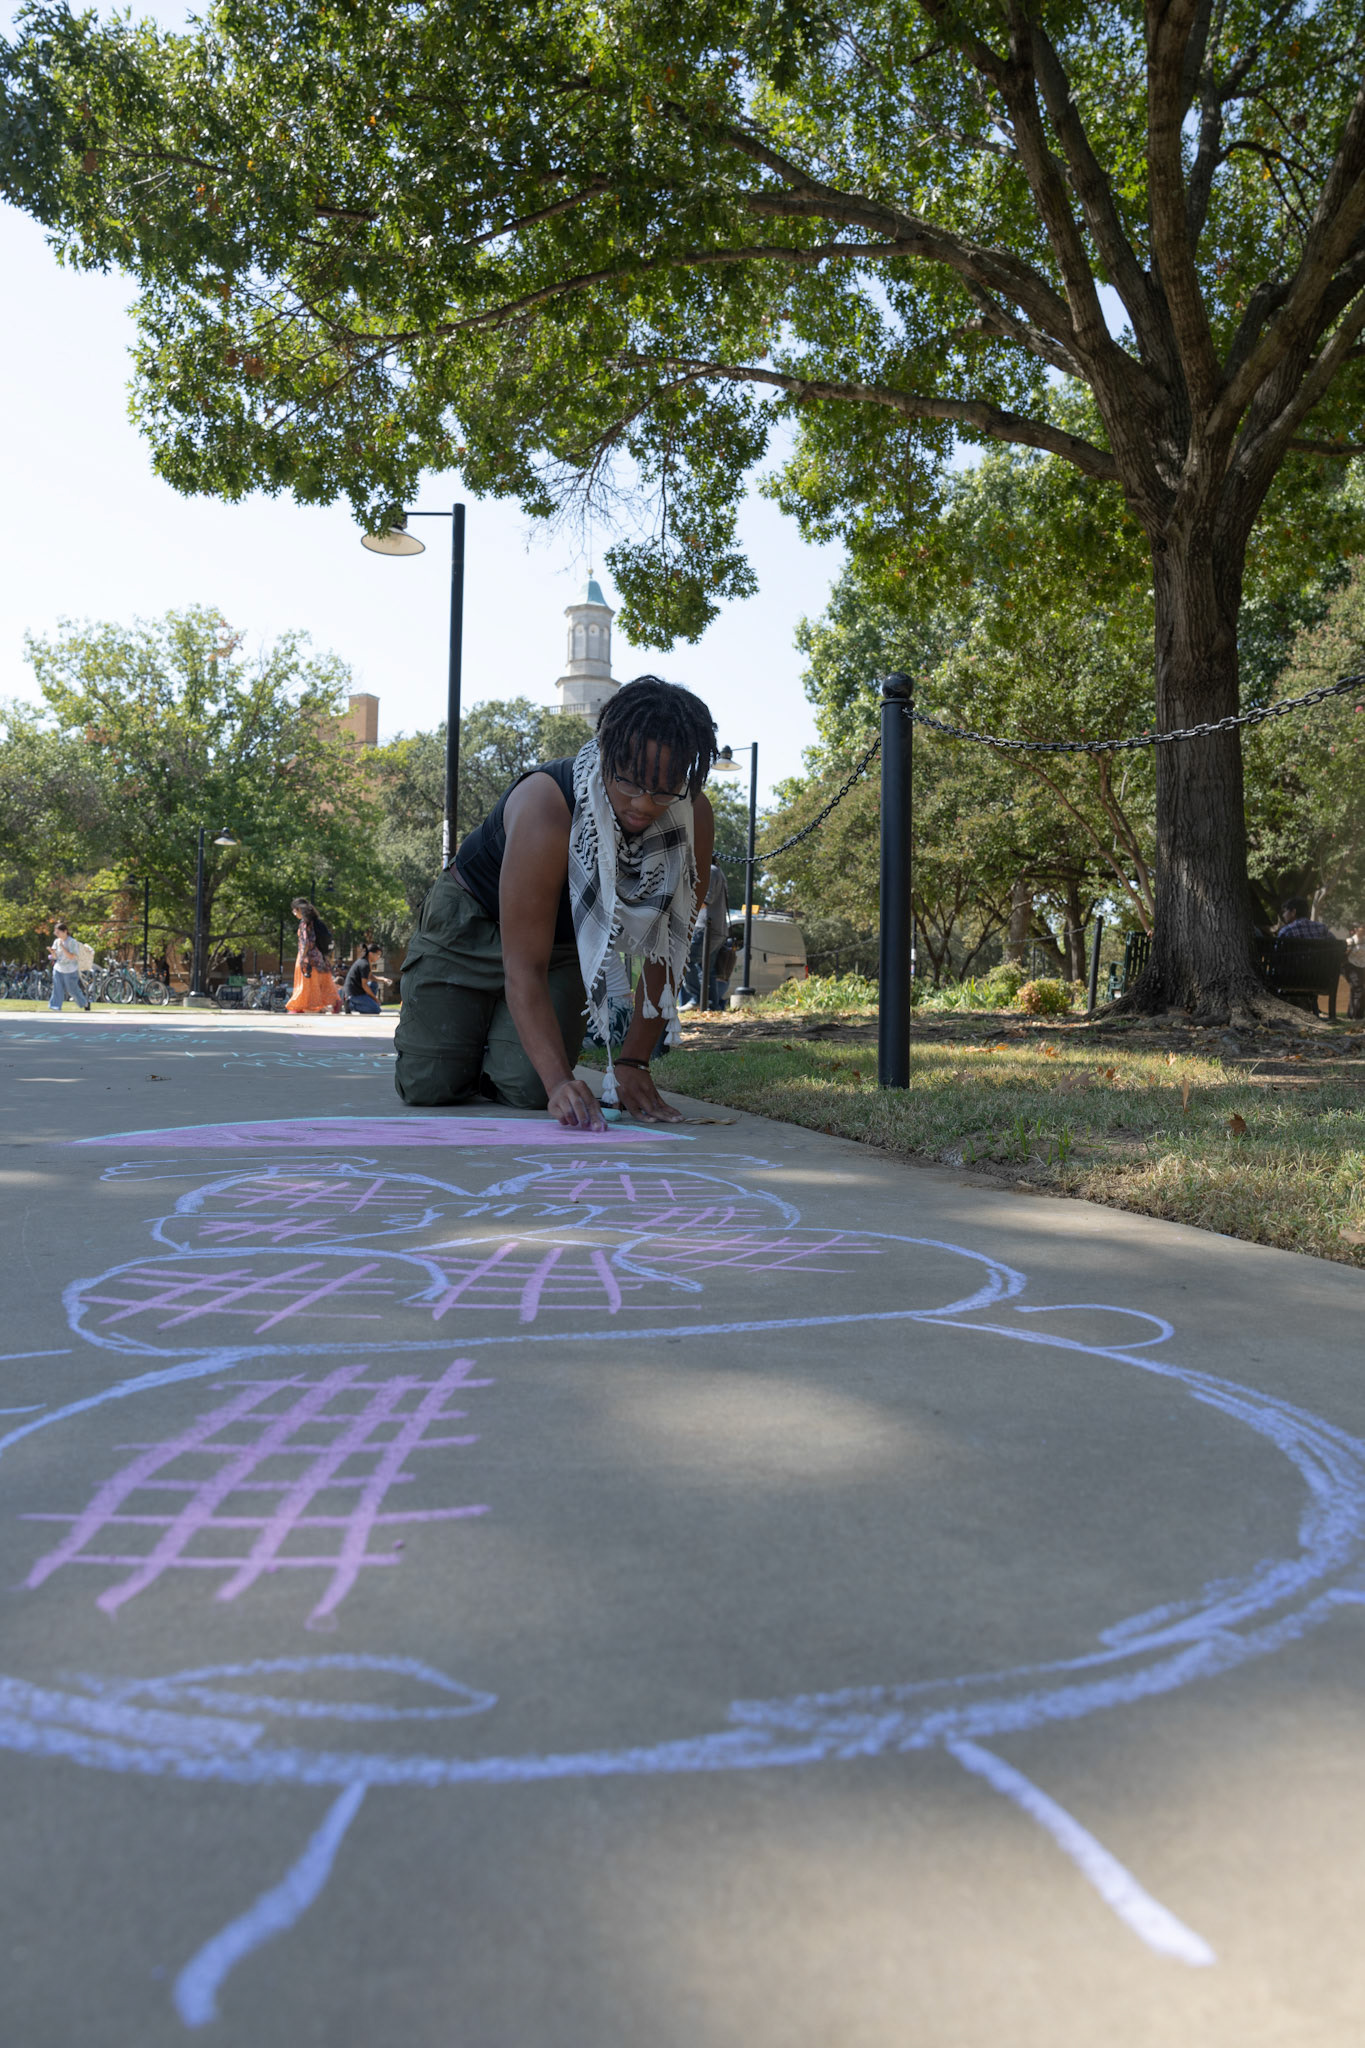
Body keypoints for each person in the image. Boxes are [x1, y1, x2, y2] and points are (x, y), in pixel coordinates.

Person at [394, 675, 717, 1128]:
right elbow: (521, 967)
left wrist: (633, 1063)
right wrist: (559, 1082)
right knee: (429, 1086)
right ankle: (465, 1035)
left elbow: (671, 948)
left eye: (664, 790)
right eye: (629, 781)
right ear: (605, 755)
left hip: (561, 942)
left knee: (531, 1088)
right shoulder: (548, 807)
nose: (643, 804)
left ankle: (502, 1049)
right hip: (469, 925)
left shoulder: (692, 816)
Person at [284, 897, 342, 1014]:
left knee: (305, 984)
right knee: (323, 983)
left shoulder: (304, 923)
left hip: (308, 958)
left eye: (294, 910)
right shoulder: (316, 922)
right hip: (319, 957)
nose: (293, 913)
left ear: (300, 910)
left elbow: (306, 942)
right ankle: (335, 1002)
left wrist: (303, 958)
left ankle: (298, 1007)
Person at [47, 922, 90, 1012]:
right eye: (55, 932)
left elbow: (71, 957)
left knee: (72, 990)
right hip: (58, 968)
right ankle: (55, 1006)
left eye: (58, 932)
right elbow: (55, 957)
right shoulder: (56, 941)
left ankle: (84, 1003)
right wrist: (52, 952)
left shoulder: (72, 942)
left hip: (70, 970)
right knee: (57, 988)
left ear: (65, 931)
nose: (56, 934)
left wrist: (62, 946)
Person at [343, 945, 386, 1016]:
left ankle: (367, 1004)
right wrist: (375, 999)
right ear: (371, 954)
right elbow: (365, 985)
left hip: (358, 992)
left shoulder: (364, 962)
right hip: (353, 995)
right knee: (376, 1010)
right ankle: (351, 1005)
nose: (379, 957)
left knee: (374, 984)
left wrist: (383, 979)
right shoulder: (364, 964)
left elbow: (370, 977)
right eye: (378, 955)